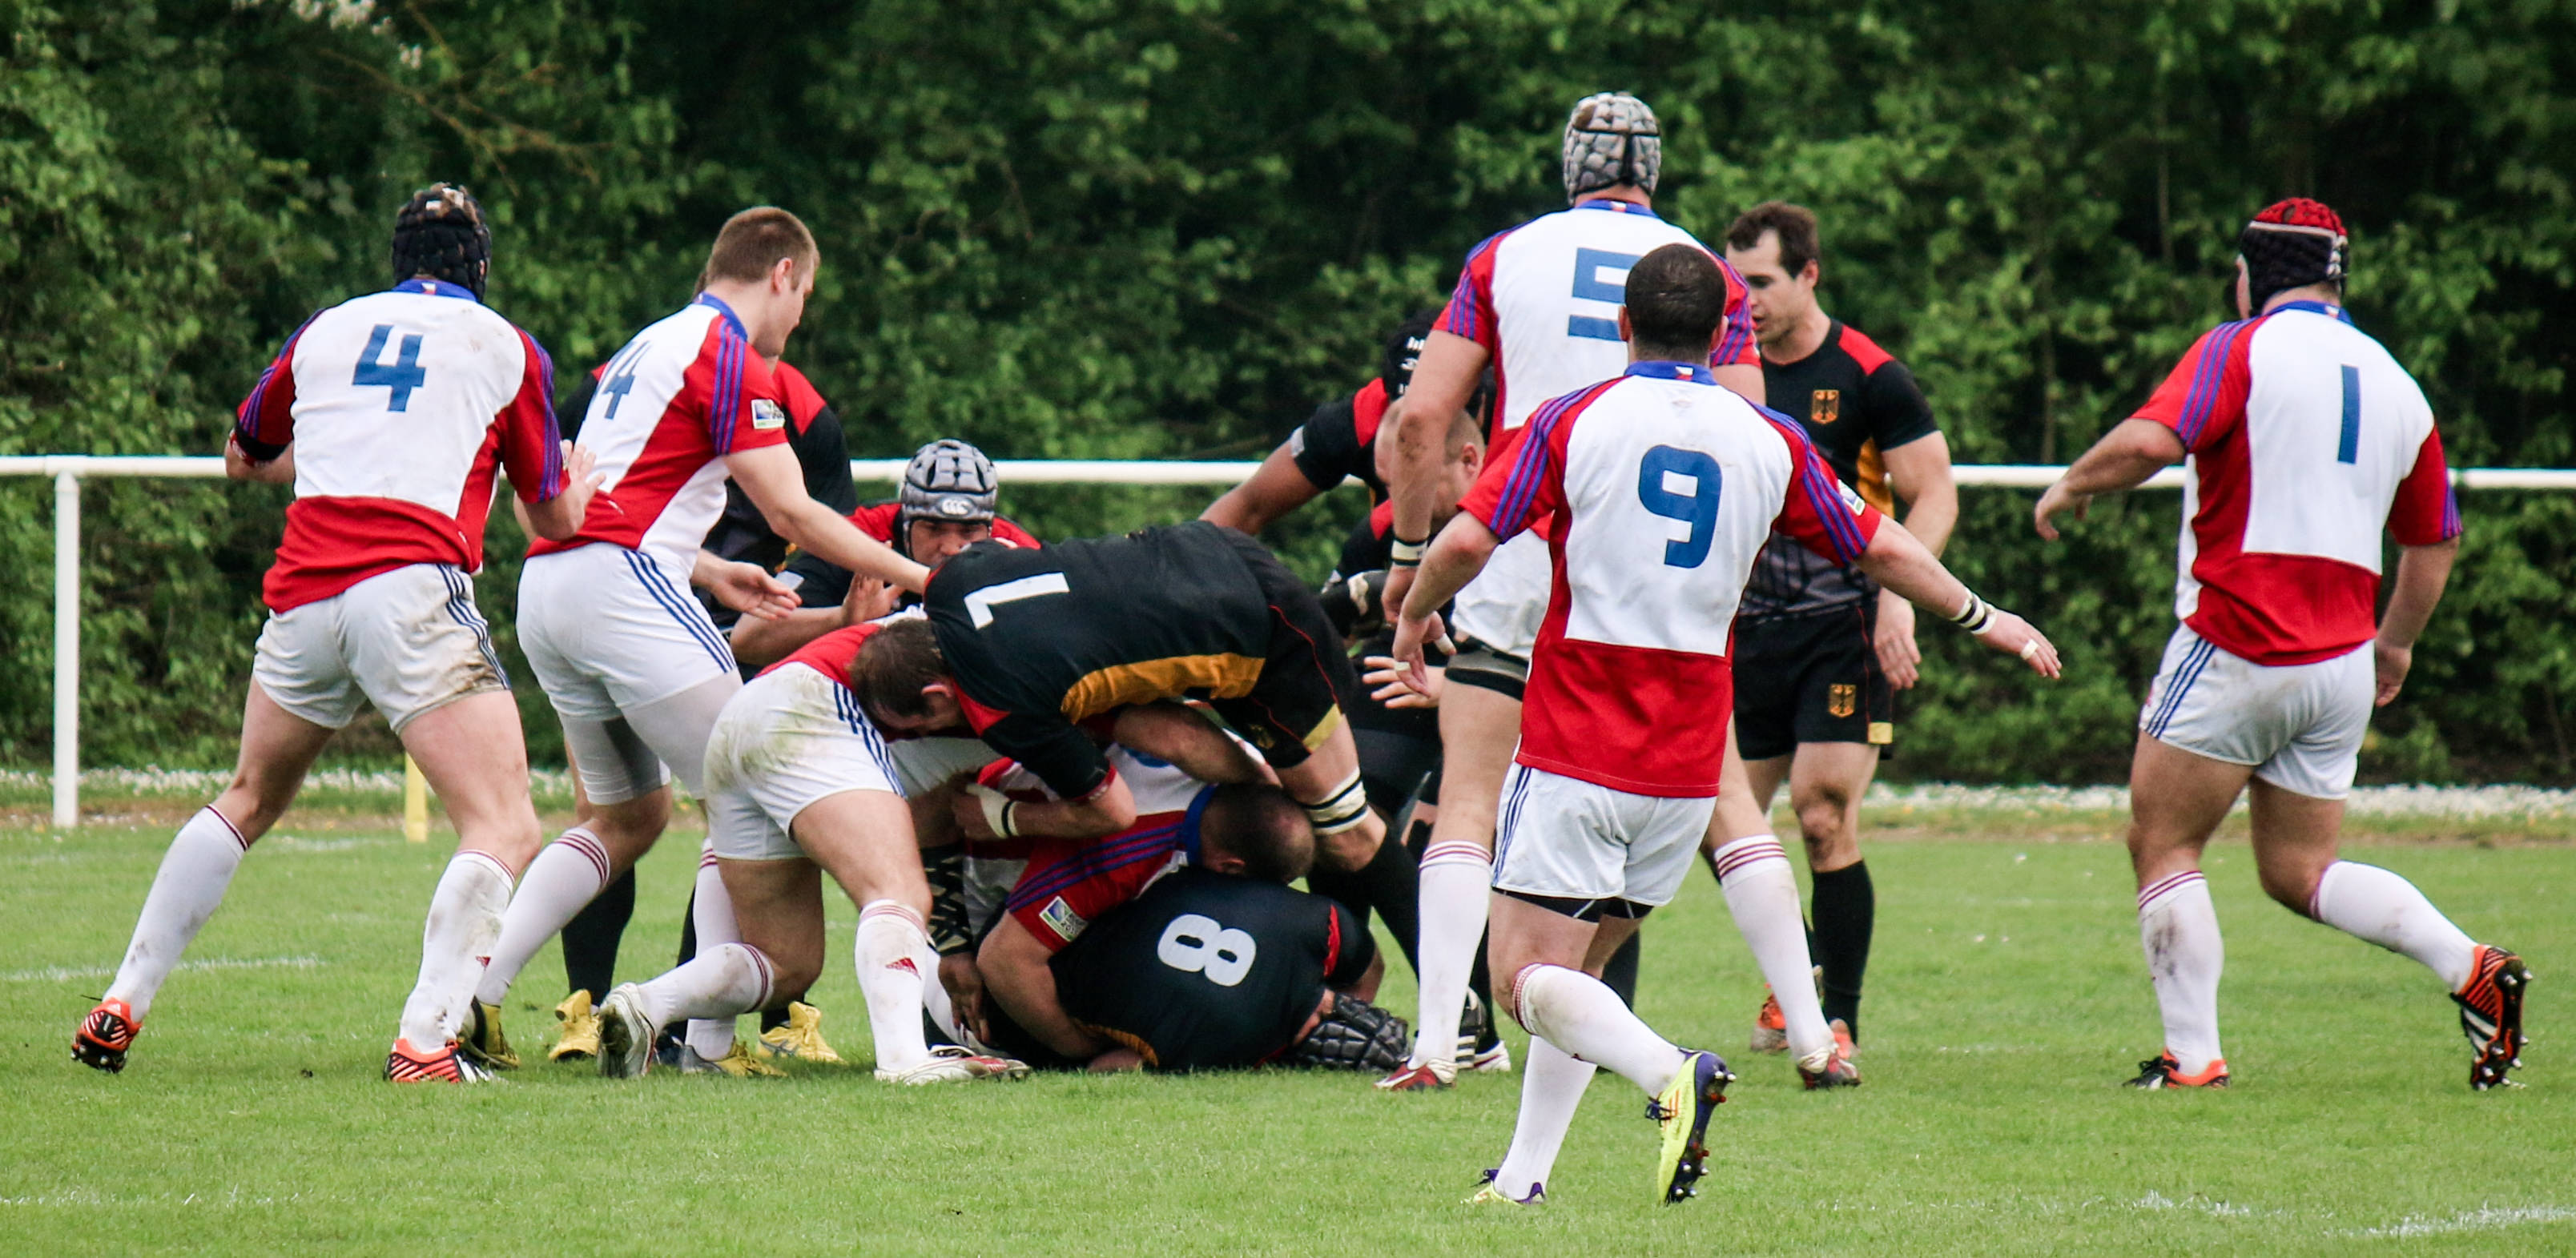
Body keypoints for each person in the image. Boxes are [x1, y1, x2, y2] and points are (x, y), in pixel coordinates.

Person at [1388, 244, 2059, 1204]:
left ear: (1624, 326)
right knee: (1578, 968)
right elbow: (1881, 545)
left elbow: (1464, 540)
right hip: (1689, 762)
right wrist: (1984, 616)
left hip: (1580, 740)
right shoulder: (1772, 438)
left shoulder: (1569, 419)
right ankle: (1525, 1176)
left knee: (1521, 975)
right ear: (1719, 335)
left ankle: (1670, 1072)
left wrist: (1414, 612)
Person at [72, 185, 600, 1083]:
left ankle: (124, 997)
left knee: (247, 796)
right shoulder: (505, 344)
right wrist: (579, 484)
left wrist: (333, 453)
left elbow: (244, 454)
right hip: (410, 591)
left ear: (397, 262)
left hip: (305, 594)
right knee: (504, 823)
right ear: (479, 265)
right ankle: (426, 1040)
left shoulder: (327, 329)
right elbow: (551, 515)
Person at [2035, 198, 2526, 1091]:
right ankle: (2471, 965)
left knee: (2163, 840)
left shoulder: (2240, 346)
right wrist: (2395, 645)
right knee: (2300, 870)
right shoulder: (2397, 382)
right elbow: (2435, 540)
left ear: (2251, 275)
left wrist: (2073, 484)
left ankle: (2192, 1057)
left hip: (2239, 638)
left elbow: (2151, 438)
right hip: (2341, 663)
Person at [463, 207, 929, 1074]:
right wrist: (921, 578)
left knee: (627, 816)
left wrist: (707, 568)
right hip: (622, 586)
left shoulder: (650, 342)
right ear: (782, 273)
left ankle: (476, 993)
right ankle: (702, 1043)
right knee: (745, 782)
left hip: (552, 585)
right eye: (806, 294)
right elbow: (792, 512)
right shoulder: (728, 351)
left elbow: (610, 488)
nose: (801, 315)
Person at [1372, 90, 1766, 1091]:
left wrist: (1411, 554)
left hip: (1516, 536)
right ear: (1655, 170)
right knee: (1719, 803)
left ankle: (1438, 1040)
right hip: (1650, 566)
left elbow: (1422, 419)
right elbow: (1753, 432)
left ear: (1569, 166)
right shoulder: (1707, 271)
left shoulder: (1504, 255)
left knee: (1468, 794)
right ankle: (1808, 1031)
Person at [543, 352, 859, 1067]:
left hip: (738, 624)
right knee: (634, 813)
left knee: (739, 811)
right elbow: (550, 485)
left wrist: (791, 601)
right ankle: (594, 1008)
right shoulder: (621, 380)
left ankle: (725, 1021)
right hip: (637, 617)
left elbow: (825, 532)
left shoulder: (802, 408)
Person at [1717, 201, 1958, 1063]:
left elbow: (1934, 493)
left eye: (1762, 282)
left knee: (1822, 815)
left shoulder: (1868, 374)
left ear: (1809, 274)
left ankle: (1836, 1013)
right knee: (1720, 825)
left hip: (1842, 626)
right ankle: (1802, 965)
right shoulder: (1722, 370)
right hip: (1744, 630)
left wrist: (1900, 596)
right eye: (1734, 283)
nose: (1746, 300)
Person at [593, 619, 1025, 1083]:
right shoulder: (1017, 667)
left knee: (785, 964)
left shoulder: (984, 646)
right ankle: (904, 1059)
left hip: (749, 714)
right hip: (812, 707)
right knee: (896, 891)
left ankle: (648, 1004)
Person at [859, 522, 1389, 870]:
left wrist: (1005, 819)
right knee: (1276, 799)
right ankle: (1346, 609)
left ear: (936, 694)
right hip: (1205, 551)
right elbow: (1174, 736)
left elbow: (1112, 812)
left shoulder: (1001, 709)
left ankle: (1447, 993)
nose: (929, 735)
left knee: (1347, 838)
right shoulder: (951, 578)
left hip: (1262, 640)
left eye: (921, 726)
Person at [731, 438, 1042, 669]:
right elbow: (746, 639)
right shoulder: (859, 537)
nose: (950, 547)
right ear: (905, 523)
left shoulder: (1014, 549)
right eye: (934, 528)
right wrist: (841, 619)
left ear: (989, 530)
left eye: (968, 531)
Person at [1200, 310, 1443, 533]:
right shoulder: (1362, 417)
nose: (1417, 429)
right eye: (1401, 415)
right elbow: (1249, 507)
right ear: (1386, 394)